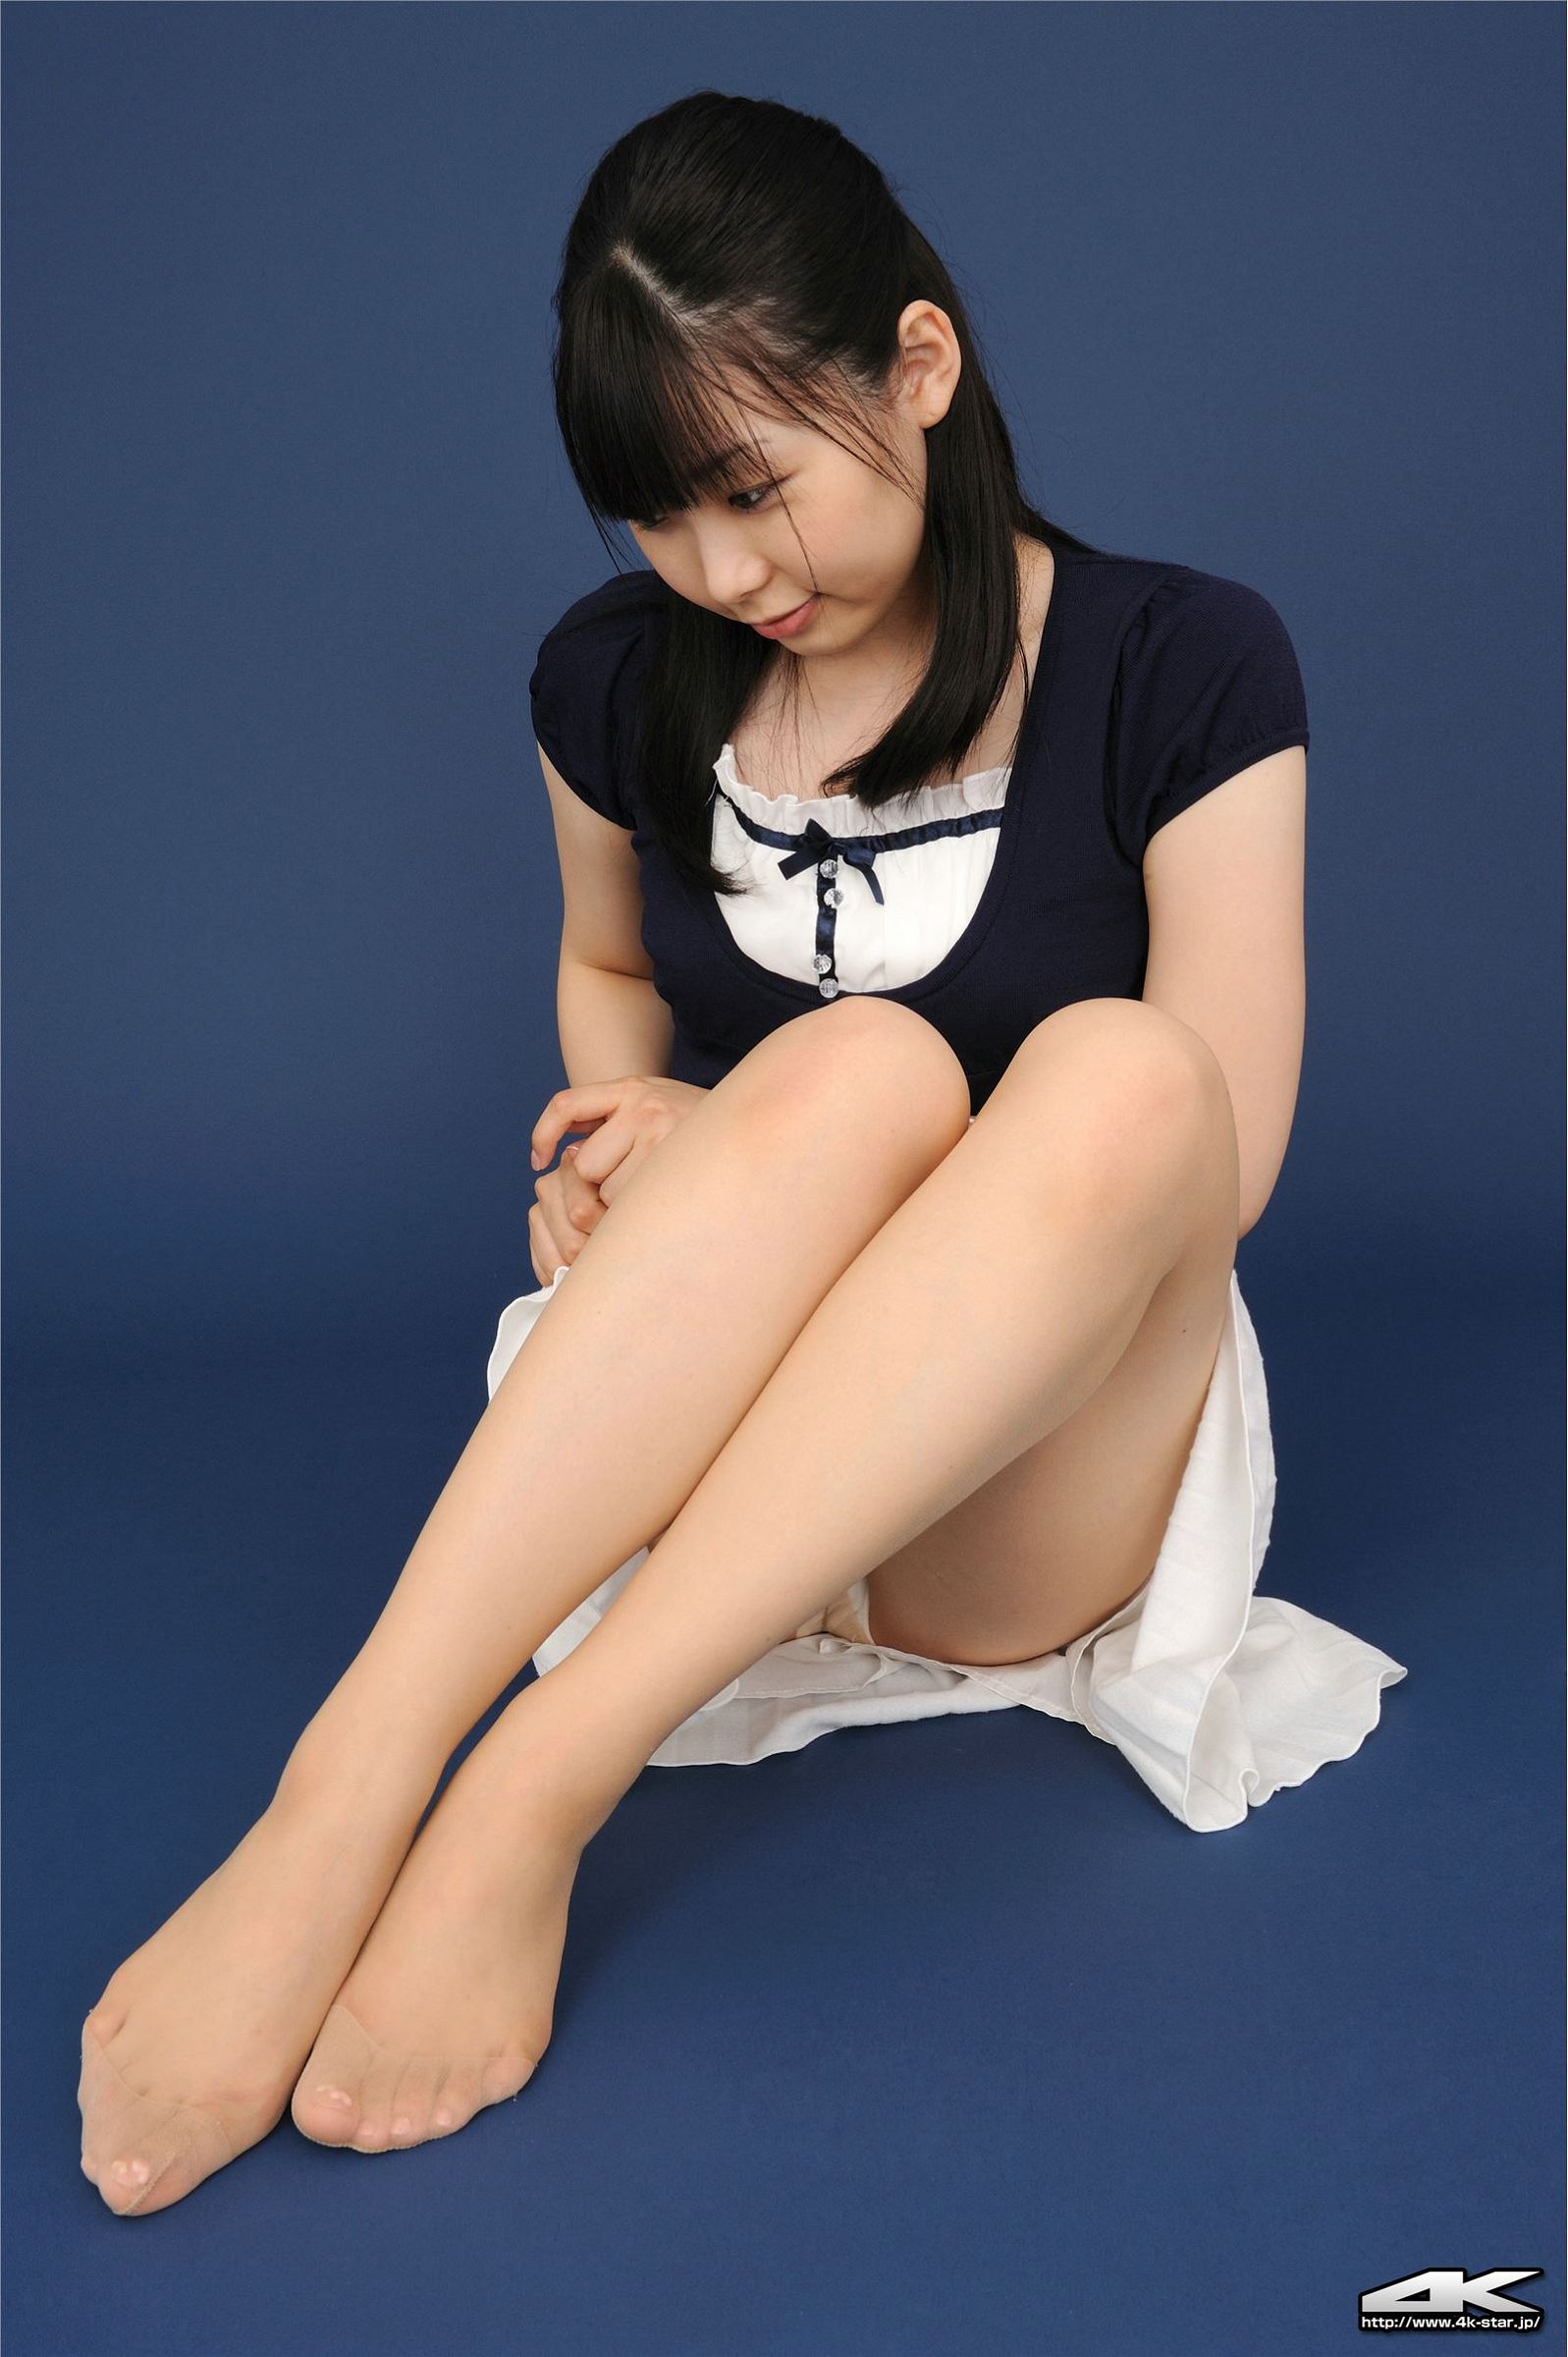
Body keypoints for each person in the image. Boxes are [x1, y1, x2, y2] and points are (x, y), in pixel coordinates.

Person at [78, 88, 1407, 2218]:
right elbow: (609, 968)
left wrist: (756, 1123)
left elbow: (1216, 1168)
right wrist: (630, 1131)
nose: (718, 574)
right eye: (654, 520)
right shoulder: (612, 681)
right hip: (680, 1440)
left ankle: (532, 1793)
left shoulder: (1185, 663)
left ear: (919, 366)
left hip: (1015, 1480)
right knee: (846, 1069)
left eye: (752, 490)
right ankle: (342, 1791)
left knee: (1128, 1078)